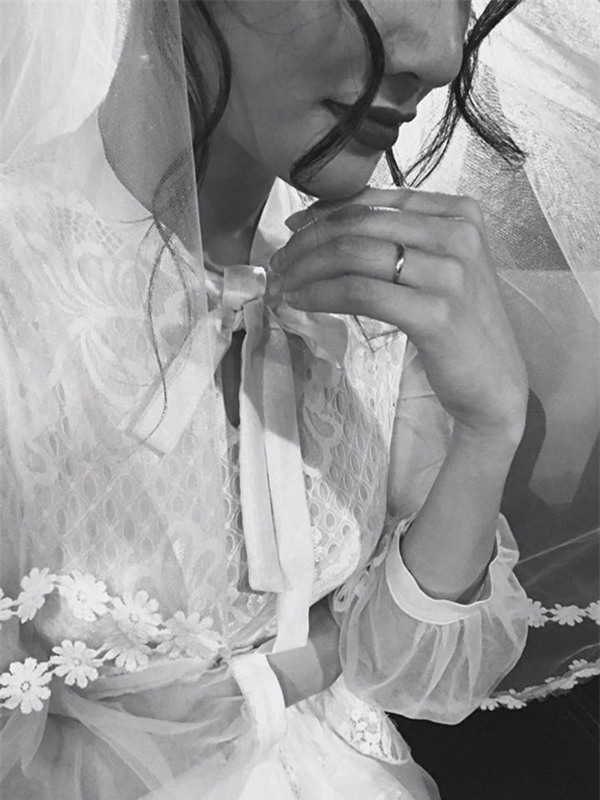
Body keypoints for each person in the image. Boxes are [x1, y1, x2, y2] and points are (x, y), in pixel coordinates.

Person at [0, 2, 597, 798]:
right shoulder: (17, 285)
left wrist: (491, 425)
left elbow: (411, 671)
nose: (444, 55)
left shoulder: (370, 280)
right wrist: (289, 672)